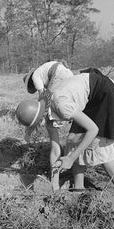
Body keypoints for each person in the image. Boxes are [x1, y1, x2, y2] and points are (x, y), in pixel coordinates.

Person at [17, 68, 114, 197]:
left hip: (104, 93)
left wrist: (71, 158)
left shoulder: (61, 105)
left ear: (40, 117)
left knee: (100, 146)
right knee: (73, 141)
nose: (40, 128)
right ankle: (78, 189)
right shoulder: (44, 108)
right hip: (87, 100)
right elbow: (55, 150)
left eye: (37, 124)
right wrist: (55, 187)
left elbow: (93, 130)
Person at [21, 61, 74, 189]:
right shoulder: (45, 69)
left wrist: (32, 127)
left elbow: (43, 99)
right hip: (72, 79)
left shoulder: (36, 76)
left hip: (59, 77)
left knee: (51, 125)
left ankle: (55, 183)